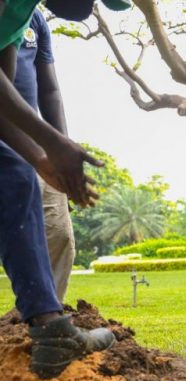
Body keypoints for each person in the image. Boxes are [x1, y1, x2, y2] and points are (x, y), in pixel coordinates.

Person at [0, 0, 131, 379]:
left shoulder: (22, 14)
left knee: (17, 174)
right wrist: (50, 142)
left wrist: (41, 157)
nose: (90, 7)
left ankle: (52, 332)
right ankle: (52, 330)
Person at [4, 8, 75, 301]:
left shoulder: (34, 18)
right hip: (10, 146)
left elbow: (50, 90)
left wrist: (62, 149)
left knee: (59, 236)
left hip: (39, 151)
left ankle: (45, 319)